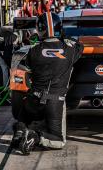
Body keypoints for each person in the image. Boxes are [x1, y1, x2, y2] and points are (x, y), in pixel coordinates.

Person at [12, 12, 83, 155]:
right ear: (59, 29)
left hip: (34, 99)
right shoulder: (70, 50)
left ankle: (19, 132)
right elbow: (80, 46)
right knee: (58, 141)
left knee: (25, 112)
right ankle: (35, 137)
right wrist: (64, 38)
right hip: (54, 102)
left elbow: (26, 70)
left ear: (39, 29)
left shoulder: (33, 51)